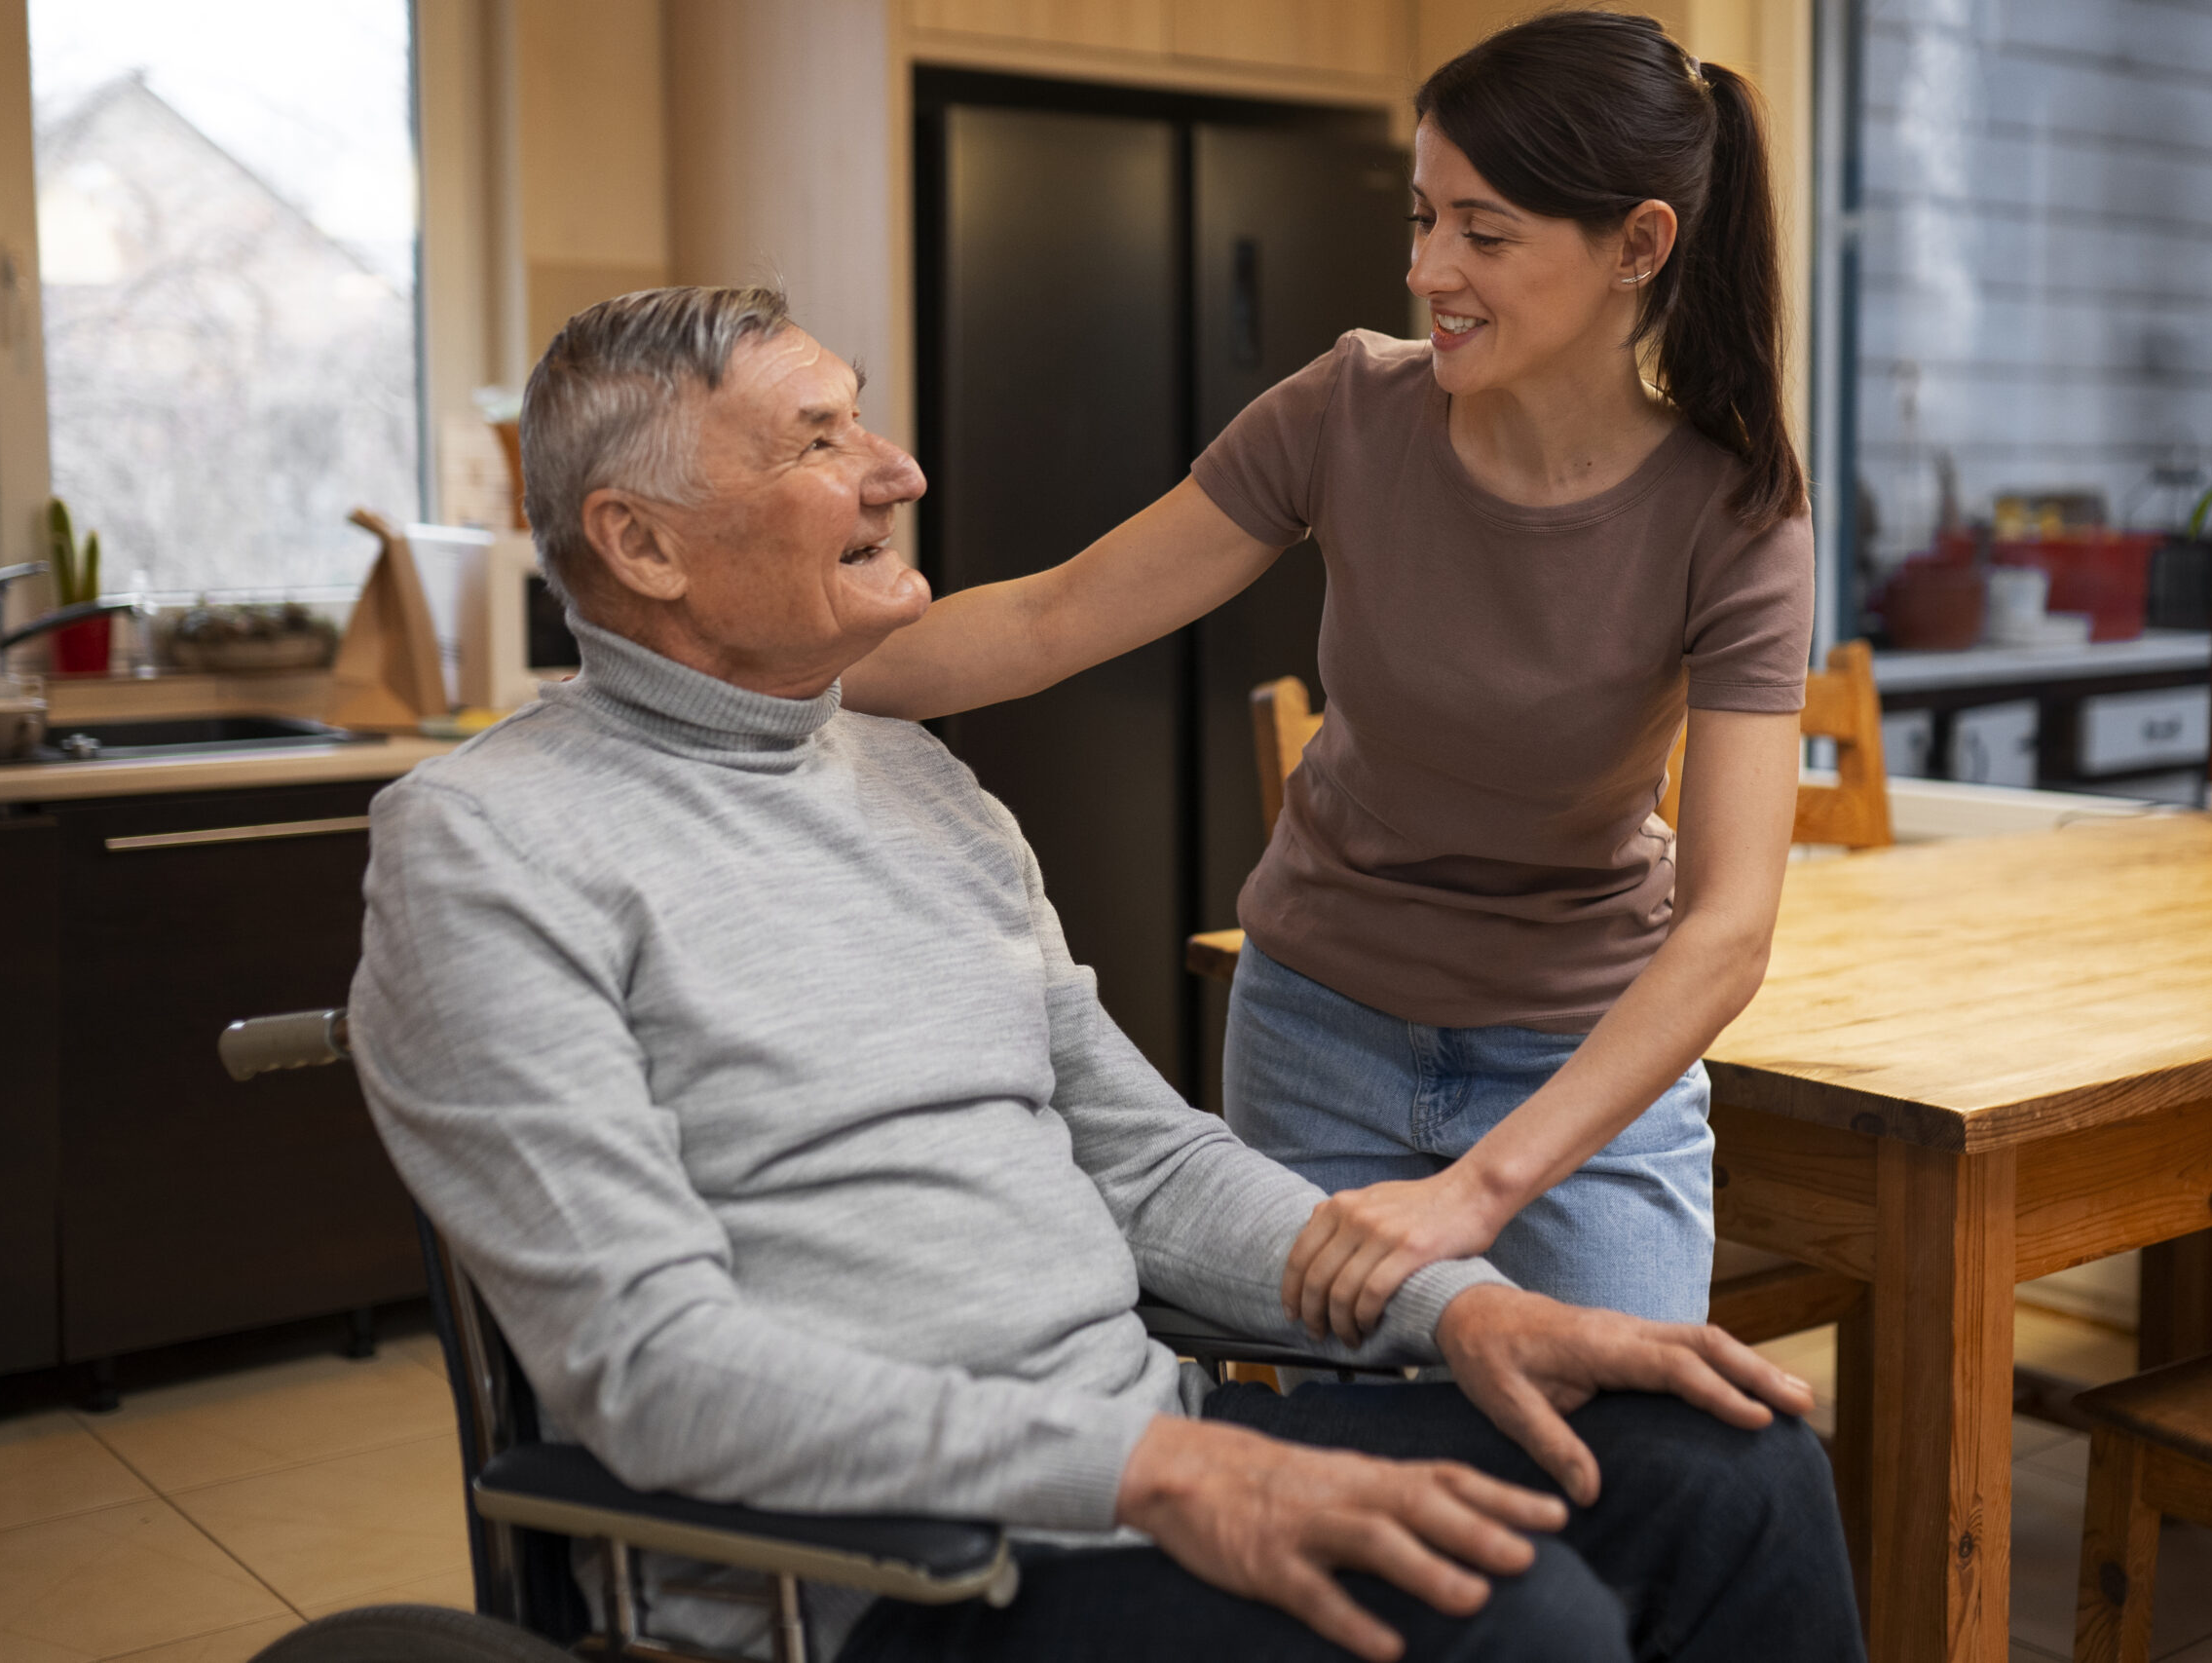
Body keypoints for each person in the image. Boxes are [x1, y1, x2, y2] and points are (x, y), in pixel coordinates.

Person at [351, 284, 1863, 1663]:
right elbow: (651, 1368)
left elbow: (1144, 1168)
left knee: (1735, 1468)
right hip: (877, 1582)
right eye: (820, 441)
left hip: (1130, 1474)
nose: (898, 470)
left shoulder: (919, 781)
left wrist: (1459, 1310)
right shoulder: (488, 846)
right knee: (1502, 1625)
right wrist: (1156, 1467)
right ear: (642, 543)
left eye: (863, 415)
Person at [840, 10, 1813, 1348]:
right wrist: (743, 665)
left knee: (1625, 1473)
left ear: (1638, 246)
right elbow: (1054, 617)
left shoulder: (1735, 511)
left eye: (1482, 231)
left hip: (1584, 1069)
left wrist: (1481, 1188)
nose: (1428, 269)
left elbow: (1729, 930)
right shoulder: (1347, 410)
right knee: (1362, 1491)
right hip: (1320, 1034)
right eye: (1422, 219)